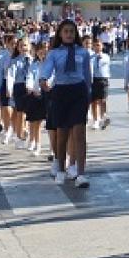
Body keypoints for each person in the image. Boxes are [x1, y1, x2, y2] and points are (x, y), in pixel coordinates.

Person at [39, 20, 92, 187]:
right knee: (62, 134)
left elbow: (87, 75)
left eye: (72, 31)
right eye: (66, 31)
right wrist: (43, 79)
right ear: (60, 34)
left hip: (79, 92)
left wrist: (89, 95)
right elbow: (47, 68)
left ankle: (80, 173)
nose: (69, 34)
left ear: (76, 34)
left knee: (79, 133)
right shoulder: (54, 53)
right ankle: (61, 169)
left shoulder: (83, 52)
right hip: (61, 92)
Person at [6, 37, 34, 150]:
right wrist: (9, 89)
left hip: (31, 88)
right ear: (18, 47)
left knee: (31, 114)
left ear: (30, 47)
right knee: (20, 113)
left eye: (26, 45)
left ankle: (28, 134)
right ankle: (19, 136)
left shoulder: (33, 60)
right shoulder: (15, 61)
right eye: (21, 46)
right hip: (19, 87)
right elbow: (10, 76)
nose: (24, 48)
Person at [88, 35, 111, 130]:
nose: (97, 47)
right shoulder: (90, 57)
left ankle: (103, 117)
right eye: (95, 45)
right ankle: (96, 120)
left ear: (102, 46)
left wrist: (99, 57)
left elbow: (105, 64)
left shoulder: (105, 56)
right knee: (94, 101)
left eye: (99, 45)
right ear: (93, 47)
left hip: (103, 79)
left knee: (103, 100)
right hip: (93, 80)